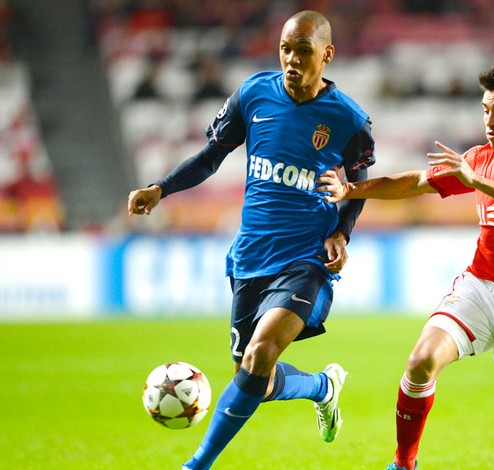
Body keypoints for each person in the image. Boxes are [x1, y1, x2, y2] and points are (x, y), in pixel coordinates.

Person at [127, 10, 375, 469]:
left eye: (304, 50)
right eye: (286, 48)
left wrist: (342, 231)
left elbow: (359, 188)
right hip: (249, 259)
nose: (292, 59)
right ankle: (323, 387)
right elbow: (210, 158)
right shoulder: (253, 94)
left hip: (307, 260)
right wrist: (160, 188)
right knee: (253, 378)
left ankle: (196, 464)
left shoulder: (347, 120)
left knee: (261, 353)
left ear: (327, 54)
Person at [318, 62, 494, 470]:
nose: (490, 119)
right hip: (481, 286)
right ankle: (403, 463)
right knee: (420, 361)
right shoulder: (478, 159)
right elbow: (417, 181)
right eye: (486, 109)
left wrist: (476, 182)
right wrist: (351, 188)